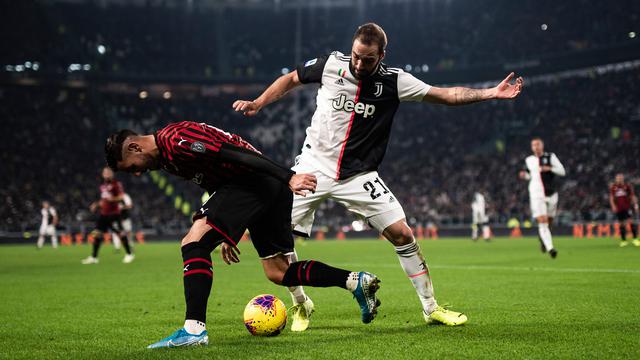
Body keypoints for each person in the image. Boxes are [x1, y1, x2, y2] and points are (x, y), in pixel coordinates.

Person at [232, 22, 524, 327]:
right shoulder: (332, 64)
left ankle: (431, 308)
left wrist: (490, 92)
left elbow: (446, 95)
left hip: (358, 175)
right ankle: (301, 303)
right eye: (356, 56)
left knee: (403, 233)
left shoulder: (396, 81)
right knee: (278, 240)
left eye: (368, 59)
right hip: (311, 169)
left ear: (382, 55)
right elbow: (291, 78)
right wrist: (258, 102)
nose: (359, 64)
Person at [105, 121, 381, 349]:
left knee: (193, 242)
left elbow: (234, 154)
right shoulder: (167, 159)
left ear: (134, 147)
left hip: (255, 181)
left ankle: (193, 330)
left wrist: (288, 176)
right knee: (278, 271)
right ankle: (354, 281)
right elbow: (217, 181)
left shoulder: (177, 139)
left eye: (132, 167)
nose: (138, 174)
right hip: (263, 188)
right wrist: (231, 232)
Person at [519, 137, 565, 258]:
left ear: (542, 145)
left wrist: (549, 168)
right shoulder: (529, 160)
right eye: (534, 145)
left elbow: (562, 171)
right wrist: (524, 175)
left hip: (551, 194)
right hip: (536, 194)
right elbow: (529, 176)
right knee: (543, 221)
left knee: (549, 221)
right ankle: (551, 249)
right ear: (531, 147)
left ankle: (543, 239)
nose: (536, 147)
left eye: (538, 144)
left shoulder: (550, 157)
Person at [81, 167, 135, 264]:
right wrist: (96, 204)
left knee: (120, 234)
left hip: (114, 214)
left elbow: (121, 196)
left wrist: (113, 199)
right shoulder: (103, 186)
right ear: (102, 174)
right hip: (103, 214)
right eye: (105, 172)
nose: (106, 174)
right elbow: (103, 200)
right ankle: (94, 257)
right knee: (96, 234)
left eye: (108, 172)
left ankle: (129, 254)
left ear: (112, 174)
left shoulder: (116, 184)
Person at [609, 173, 639, 247]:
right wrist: (613, 206)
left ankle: (635, 239)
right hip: (619, 208)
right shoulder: (613, 187)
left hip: (627, 207)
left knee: (631, 222)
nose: (619, 179)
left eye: (620, 178)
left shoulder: (627, 186)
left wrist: (635, 205)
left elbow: (632, 196)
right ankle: (623, 240)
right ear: (616, 179)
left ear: (623, 179)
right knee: (622, 224)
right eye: (618, 178)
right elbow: (612, 197)